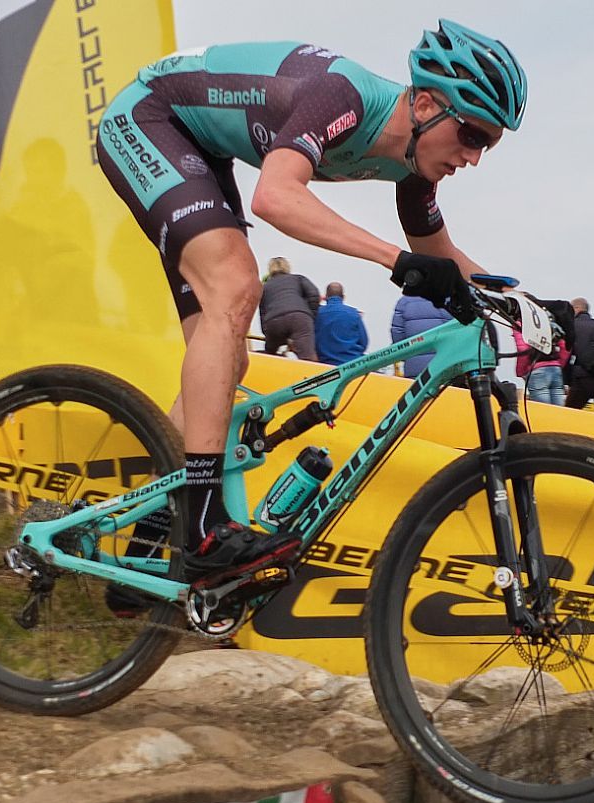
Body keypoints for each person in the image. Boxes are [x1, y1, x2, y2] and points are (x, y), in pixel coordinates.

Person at [95, 20, 527, 579]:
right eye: (471, 134)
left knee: (228, 360)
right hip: (150, 118)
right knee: (235, 285)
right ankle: (201, 530)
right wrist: (392, 259)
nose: (474, 156)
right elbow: (275, 196)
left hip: (201, 149)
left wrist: (526, 303)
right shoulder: (343, 96)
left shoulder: (414, 163)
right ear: (424, 104)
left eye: (488, 144)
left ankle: (143, 546)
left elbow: (439, 252)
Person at [257, 256, 319, 361]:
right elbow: (314, 295)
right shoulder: (298, 279)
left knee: (270, 353)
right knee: (307, 356)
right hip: (298, 317)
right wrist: (311, 315)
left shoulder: (265, 287)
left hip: (273, 321)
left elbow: (262, 311)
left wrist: (267, 332)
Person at [390, 293, 453, 377]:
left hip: (414, 368)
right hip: (447, 367)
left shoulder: (405, 302)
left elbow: (398, 339)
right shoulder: (453, 300)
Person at [514, 316, 570, 405]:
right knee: (558, 409)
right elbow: (565, 346)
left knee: (543, 408)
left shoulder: (520, 324)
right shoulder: (547, 319)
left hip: (537, 370)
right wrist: (559, 364)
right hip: (555, 369)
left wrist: (521, 371)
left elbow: (523, 349)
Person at [314, 282, 368, 365]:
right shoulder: (354, 314)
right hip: (352, 363)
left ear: (326, 297)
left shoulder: (317, 314)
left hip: (325, 363)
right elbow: (364, 343)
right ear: (343, 297)